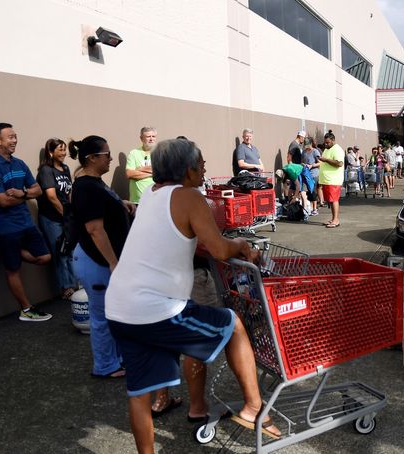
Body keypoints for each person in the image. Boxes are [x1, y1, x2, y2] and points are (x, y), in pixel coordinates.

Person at [105, 139, 281, 453]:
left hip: (120, 308)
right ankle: (254, 407)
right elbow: (218, 248)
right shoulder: (189, 197)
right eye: (200, 164)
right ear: (187, 170)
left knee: (139, 393)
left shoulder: (150, 195)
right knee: (233, 326)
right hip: (158, 310)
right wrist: (241, 245)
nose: (204, 169)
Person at [70, 135, 136, 378]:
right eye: (106, 154)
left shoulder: (95, 183)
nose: (110, 158)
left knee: (113, 313)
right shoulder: (86, 186)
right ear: (92, 158)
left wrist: (122, 204)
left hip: (101, 261)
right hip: (96, 261)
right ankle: (105, 366)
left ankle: (115, 359)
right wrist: (113, 262)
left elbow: (104, 205)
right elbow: (95, 230)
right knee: (102, 316)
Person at [0, 123, 52, 321]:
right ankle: (26, 310)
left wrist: (22, 193)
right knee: (13, 270)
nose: (15, 140)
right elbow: (2, 201)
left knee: (45, 257)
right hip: (6, 226)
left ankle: (2, 250)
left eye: (15, 136)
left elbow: (38, 190)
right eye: (10, 137)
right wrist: (27, 195)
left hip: (25, 222)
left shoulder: (19, 163)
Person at [36, 137, 78, 300]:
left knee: (71, 250)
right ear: (51, 152)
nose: (63, 153)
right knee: (60, 252)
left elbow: (68, 191)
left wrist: (71, 211)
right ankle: (66, 288)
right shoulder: (46, 170)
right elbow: (52, 197)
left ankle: (75, 285)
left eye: (64, 149)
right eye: (59, 149)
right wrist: (66, 215)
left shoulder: (65, 168)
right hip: (51, 218)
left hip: (65, 217)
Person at [318, 130, 345, 227]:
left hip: (333, 180)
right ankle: (333, 218)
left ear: (333, 140)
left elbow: (339, 163)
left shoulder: (337, 149)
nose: (326, 144)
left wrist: (326, 160)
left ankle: (336, 220)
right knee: (331, 200)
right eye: (325, 142)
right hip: (327, 180)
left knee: (334, 200)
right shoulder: (327, 149)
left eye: (328, 142)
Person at [126, 126, 157, 203]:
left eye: (153, 136)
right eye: (148, 136)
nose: (151, 139)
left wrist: (138, 170)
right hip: (137, 202)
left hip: (155, 200)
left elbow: (162, 172)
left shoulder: (160, 153)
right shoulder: (134, 153)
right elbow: (129, 174)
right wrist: (154, 172)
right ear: (141, 138)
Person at [301, 138, 321, 214]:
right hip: (306, 173)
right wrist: (303, 164)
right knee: (305, 191)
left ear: (311, 144)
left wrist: (312, 165)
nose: (306, 147)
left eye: (308, 145)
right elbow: (302, 161)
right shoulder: (303, 152)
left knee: (312, 191)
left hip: (314, 174)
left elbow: (320, 163)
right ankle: (308, 208)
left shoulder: (315, 151)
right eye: (305, 145)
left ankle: (315, 208)